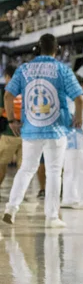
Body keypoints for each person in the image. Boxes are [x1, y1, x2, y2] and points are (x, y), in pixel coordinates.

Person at [2, 34, 83, 227]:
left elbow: (7, 95)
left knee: (26, 170)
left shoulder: (23, 70)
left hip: (31, 129)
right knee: (54, 172)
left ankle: (11, 209)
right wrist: (78, 118)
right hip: (56, 130)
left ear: (37, 49)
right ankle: (52, 217)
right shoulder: (62, 69)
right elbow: (79, 99)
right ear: (57, 50)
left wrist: (12, 120)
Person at [61, 80, 83, 209]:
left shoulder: (73, 99)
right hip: (77, 138)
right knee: (70, 168)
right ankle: (70, 198)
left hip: (75, 138)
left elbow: (70, 117)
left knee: (79, 168)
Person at [0, 65, 22, 197]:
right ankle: (18, 193)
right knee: (23, 168)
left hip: (9, 133)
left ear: (8, 76)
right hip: (26, 134)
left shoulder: (5, 91)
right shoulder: (26, 88)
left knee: (1, 163)